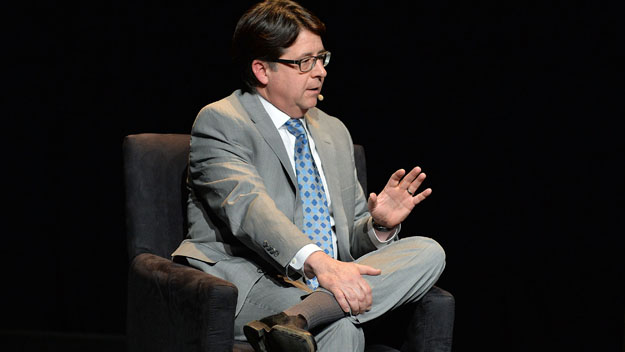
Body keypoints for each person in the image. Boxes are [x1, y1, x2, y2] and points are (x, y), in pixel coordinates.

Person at [172, 1, 450, 351]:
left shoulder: (333, 131)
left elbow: (349, 244)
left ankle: (299, 318)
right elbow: (250, 210)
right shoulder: (223, 121)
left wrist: (378, 227)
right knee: (343, 329)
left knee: (428, 251)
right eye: (305, 62)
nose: (320, 72)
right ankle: (310, 313)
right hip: (252, 285)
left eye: (322, 59)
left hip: (321, 284)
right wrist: (321, 265)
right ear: (262, 70)